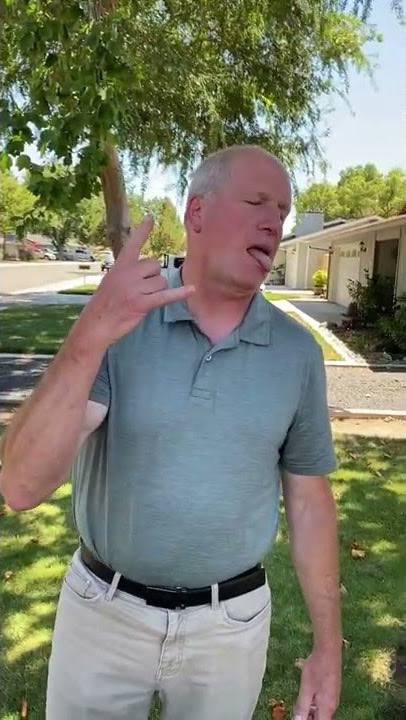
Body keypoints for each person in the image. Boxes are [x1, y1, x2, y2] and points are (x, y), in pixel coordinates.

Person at [0, 145, 342, 720]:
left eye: (281, 212)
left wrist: (328, 649)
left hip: (231, 627)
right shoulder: (124, 320)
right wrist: (91, 333)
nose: (273, 223)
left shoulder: (296, 354)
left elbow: (309, 502)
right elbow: (21, 487)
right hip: (102, 615)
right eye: (256, 201)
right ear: (197, 214)